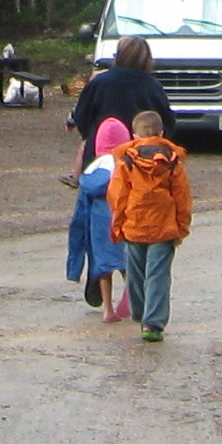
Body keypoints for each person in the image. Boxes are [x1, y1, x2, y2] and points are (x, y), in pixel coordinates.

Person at [108, 108, 192, 345]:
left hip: (134, 225)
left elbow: (117, 195)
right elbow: (182, 196)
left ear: (134, 136)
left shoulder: (126, 161)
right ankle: (152, 323)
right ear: (162, 133)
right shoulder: (172, 162)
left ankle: (139, 311)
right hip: (164, 227)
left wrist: (117, 225)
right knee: (157, 274)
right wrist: (181, 227)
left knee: (135, 273)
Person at [63, 117, 136, 323]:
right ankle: (131, 298)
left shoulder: (92, 170)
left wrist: (75, 256)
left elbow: (80, 213)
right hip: (122, 220)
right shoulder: (127, 164)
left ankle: (108, 310)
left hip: (98, 223)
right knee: (127, 264)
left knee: (103, 267)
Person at [68, 35, 174, 173]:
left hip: (101, 154)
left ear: (118, 55)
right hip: (143, 158)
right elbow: (167, 121)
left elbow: (82, 115)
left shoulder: (100, 82)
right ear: (147, 59)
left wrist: (92, 135)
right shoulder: (153, 86)